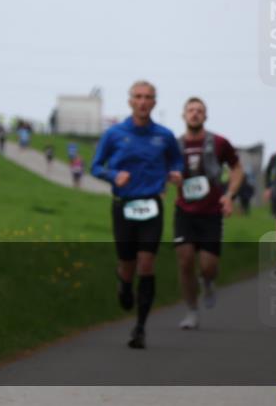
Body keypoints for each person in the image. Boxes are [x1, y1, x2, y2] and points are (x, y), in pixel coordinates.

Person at [91, 80, 183, 349]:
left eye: (148, 97)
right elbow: (95, 166)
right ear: (130, 101)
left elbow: (176, 160)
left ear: (154, 102)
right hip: (124, 205)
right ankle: (124, 284)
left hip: (152, 205)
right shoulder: (115, 134)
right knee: (127, 264)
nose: (143, 101)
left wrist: (176, 173)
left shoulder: (164, 136)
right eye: (138, 97)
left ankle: (140, 328)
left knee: (146, 263)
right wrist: (113, 175)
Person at [172, 97, 244, 331]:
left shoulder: (219, 142)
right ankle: (192, 311)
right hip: (184, 211)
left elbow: (236, 168)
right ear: (183, 116)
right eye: (190, 110)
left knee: (207, 266)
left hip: (211, 212)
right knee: (185, 262)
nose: (195, 114)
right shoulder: (174, 145)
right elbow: (163, 169)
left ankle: (209, 281)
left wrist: (229, 195)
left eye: (199, 111)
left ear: (206, 116)